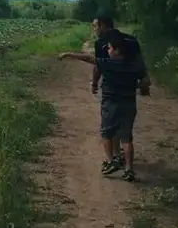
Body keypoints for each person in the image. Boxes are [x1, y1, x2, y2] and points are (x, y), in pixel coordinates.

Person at [60, 30, 149, 182]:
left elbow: (89, 58)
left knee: (107, 133)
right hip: (128, 104)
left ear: (117, 50)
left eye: (109, 48)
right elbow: (146, 82)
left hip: (110, 104)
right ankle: (129, 169)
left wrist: (69, 54)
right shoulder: (134, 66)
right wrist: (137, 87)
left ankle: (110, 160)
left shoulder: (108, 64)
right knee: (126, 138)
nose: (107, 51)